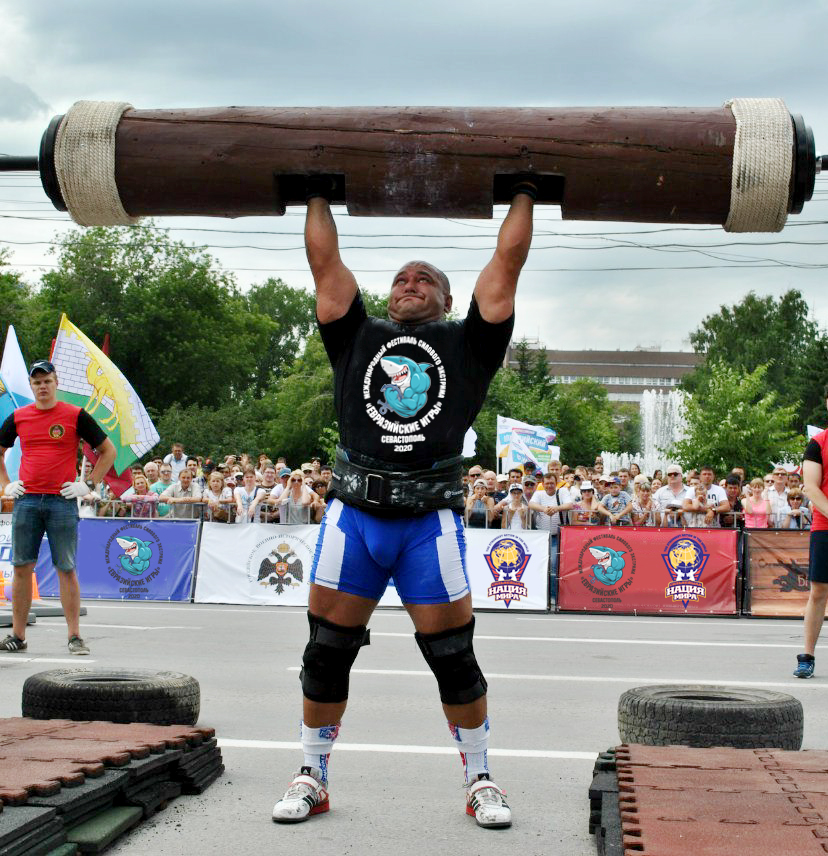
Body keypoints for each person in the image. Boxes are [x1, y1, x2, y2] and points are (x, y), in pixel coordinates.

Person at [271, 178, 533, 829]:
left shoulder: (469, 345)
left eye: (425, 279)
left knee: (453, 659)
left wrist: (528, 191)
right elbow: (324, 264)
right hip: (353, 518)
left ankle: (480, 779)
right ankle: (313, 774)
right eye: (402, 278)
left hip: (427, 525)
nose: (410, 282)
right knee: (325, 653)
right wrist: (314, 194)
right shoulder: (357, 337)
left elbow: (505, 269)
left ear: (446, 300)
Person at [0, 359, 116, 654]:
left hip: (62, 502)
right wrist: (5, 485)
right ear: (31, 385)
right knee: (22, 567)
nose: (42, 386)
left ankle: (75, 636)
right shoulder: (18, 416)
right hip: (26, 501)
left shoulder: (75, 415)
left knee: (66, 568)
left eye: (47, 381)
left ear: (56, 382)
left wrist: (88, 485)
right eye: (37, 382)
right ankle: (18, 635)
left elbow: (108, 451)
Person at [795, 393, 828, 677]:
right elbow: (811, 488)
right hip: (824, 527)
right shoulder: (818, 443)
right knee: (819, 592)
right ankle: (807, 656)